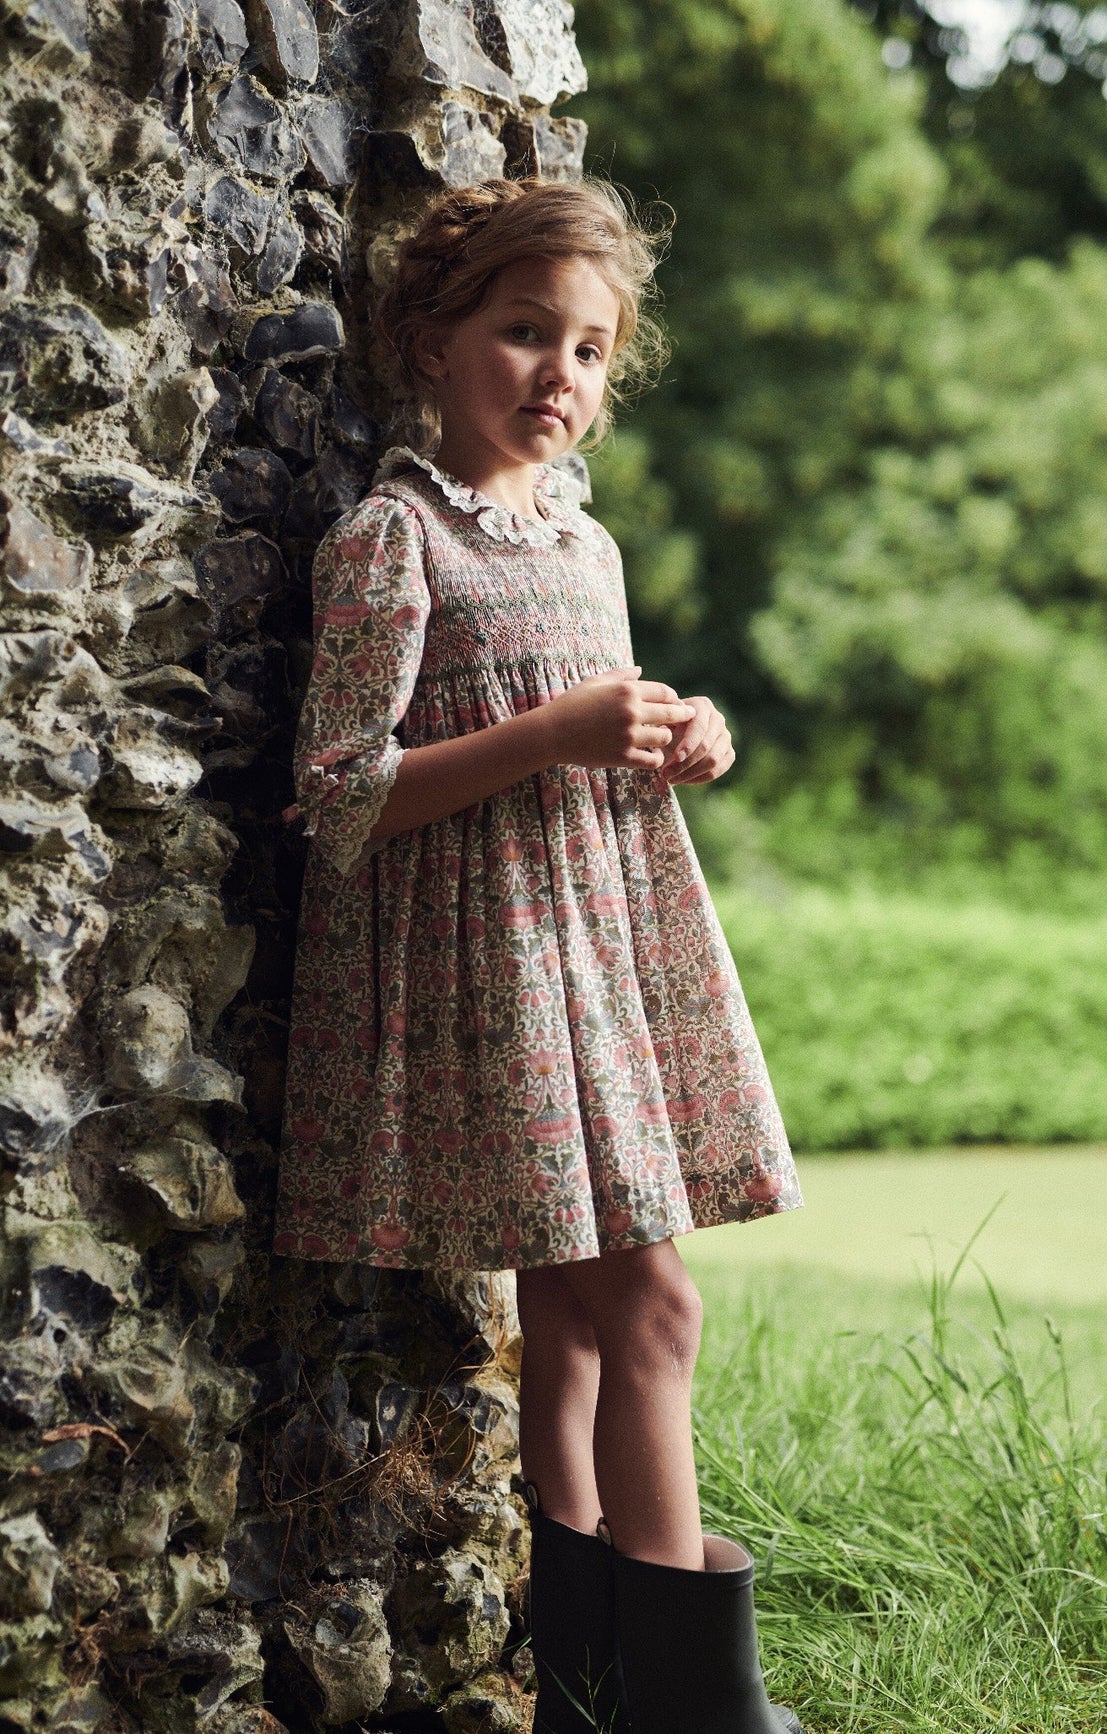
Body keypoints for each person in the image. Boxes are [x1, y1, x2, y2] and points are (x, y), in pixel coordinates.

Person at [272, 176, 805, 1734]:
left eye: (589, 349)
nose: (558, 375)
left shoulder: (589, 544)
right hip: (485, 980)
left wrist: (671, 730)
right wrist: (553, 730)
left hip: (596, 956)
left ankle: (584, 1693)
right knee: (655, 1309)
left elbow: (597, 722)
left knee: (577, 1322)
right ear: (431, 342)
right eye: (522, 332)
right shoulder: (389, 540)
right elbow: (341, 793)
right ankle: (699, 1709)